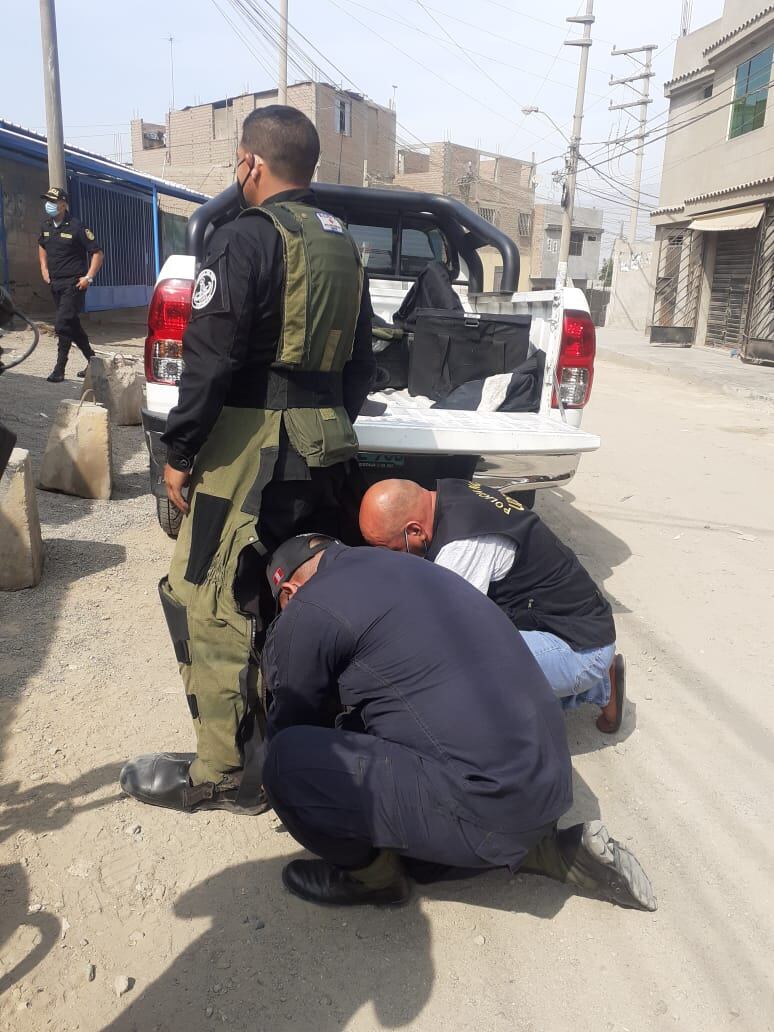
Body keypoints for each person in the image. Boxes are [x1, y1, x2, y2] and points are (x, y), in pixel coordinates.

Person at [119, 106, 375, 816]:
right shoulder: (345, 246)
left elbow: (210, 363)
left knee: (205, 597)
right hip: (324, 446)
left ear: (252, 165)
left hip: (248, 449)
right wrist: (329, 424)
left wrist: (178, 450)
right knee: (294, 595)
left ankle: (226, 771)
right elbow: (362, 367)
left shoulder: (245, 238)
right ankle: (299, 741)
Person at [257, 534, 655, 911]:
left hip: (492, 801)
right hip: (547, 779)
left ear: (289, 593)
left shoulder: (313, 605)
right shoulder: (406, 566)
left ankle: (373, 880)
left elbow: (294, 716)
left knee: (286, 763)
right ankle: (545, 849)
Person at [359, 478, 625, 733]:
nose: (389, 559)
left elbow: (445, 638)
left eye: (391, 550)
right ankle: (600, 685)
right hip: (578, 623)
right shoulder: (447, 494)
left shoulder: (462, 547)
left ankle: (588, 675)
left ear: (415, 530)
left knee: (464, 673)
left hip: (579, 646)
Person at [37, 188, 103, 383]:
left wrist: (88, 278)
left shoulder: (77, 227)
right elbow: (41, 245)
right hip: (55, 283)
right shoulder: (46, 225)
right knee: (72, 324)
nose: (48, 204)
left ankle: (59, 369)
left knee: (62, 323)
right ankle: (93, 362)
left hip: (74, 284)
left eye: (53, 201)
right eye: (47, 200)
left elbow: (97, 253)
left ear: (63, 204)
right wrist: (43, 267)